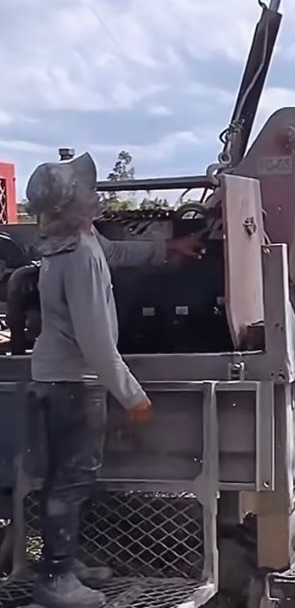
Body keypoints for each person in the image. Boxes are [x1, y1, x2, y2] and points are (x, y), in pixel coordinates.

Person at [24, 153, 203, 608]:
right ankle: (57, 578)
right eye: (86, 191)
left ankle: (65, 562)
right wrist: (133, 397)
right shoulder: (81, 255)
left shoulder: (64, 245)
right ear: (72, 205)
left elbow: (118, 251)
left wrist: (169, 250)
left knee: (66, 479)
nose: (93, 195)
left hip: (53, 379)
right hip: (75, 386)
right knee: (71, 479)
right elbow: (97, 344)